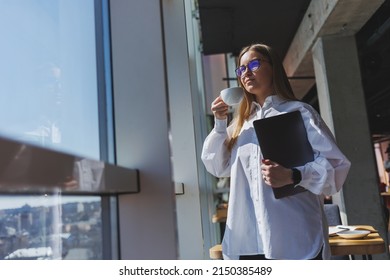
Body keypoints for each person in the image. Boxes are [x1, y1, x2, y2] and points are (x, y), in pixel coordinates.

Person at [201, 43, 351, 260]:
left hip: (295, 239)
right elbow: (217, 166)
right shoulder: (241, 125)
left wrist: (294, 175)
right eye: (241, 69)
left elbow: (336, 167)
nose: (246, 73)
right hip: (248, 243)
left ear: (273, 68)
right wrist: (220, 123)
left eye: (254, 64)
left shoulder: (300, 113)